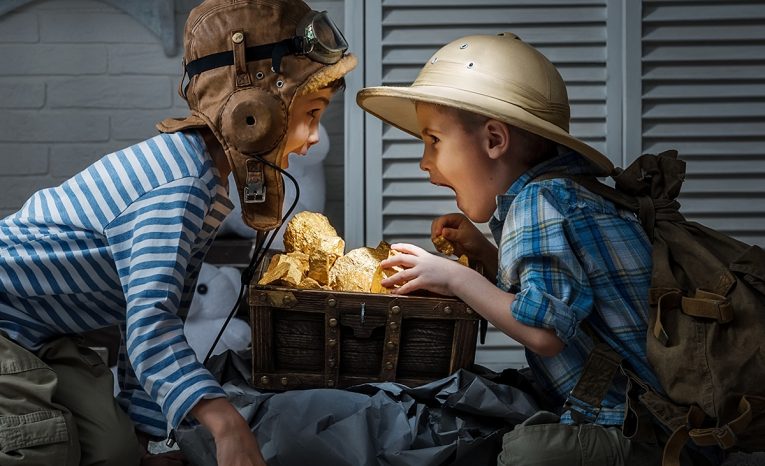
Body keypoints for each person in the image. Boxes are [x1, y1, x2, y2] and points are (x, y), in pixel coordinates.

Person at [0, 0, 356, 465]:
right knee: (42, 447)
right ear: (254, 112)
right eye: (311, 113)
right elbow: (153, 329)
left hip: (37, 330)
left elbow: (149, 316)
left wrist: (150, 435)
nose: (312, 138)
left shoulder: (207, 183)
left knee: (115, 450)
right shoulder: (179, 185)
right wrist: (225, 424)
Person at [356, 33, 670, 465]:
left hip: (642, 433)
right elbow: (561, 296)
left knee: (522, 454)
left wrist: (456, 276)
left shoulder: (537, 204)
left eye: (433, 140)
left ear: (494, 140)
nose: (424, 162)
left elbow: (545, 333)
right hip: (641, 414)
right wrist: (485, 253)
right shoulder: (569, 192)